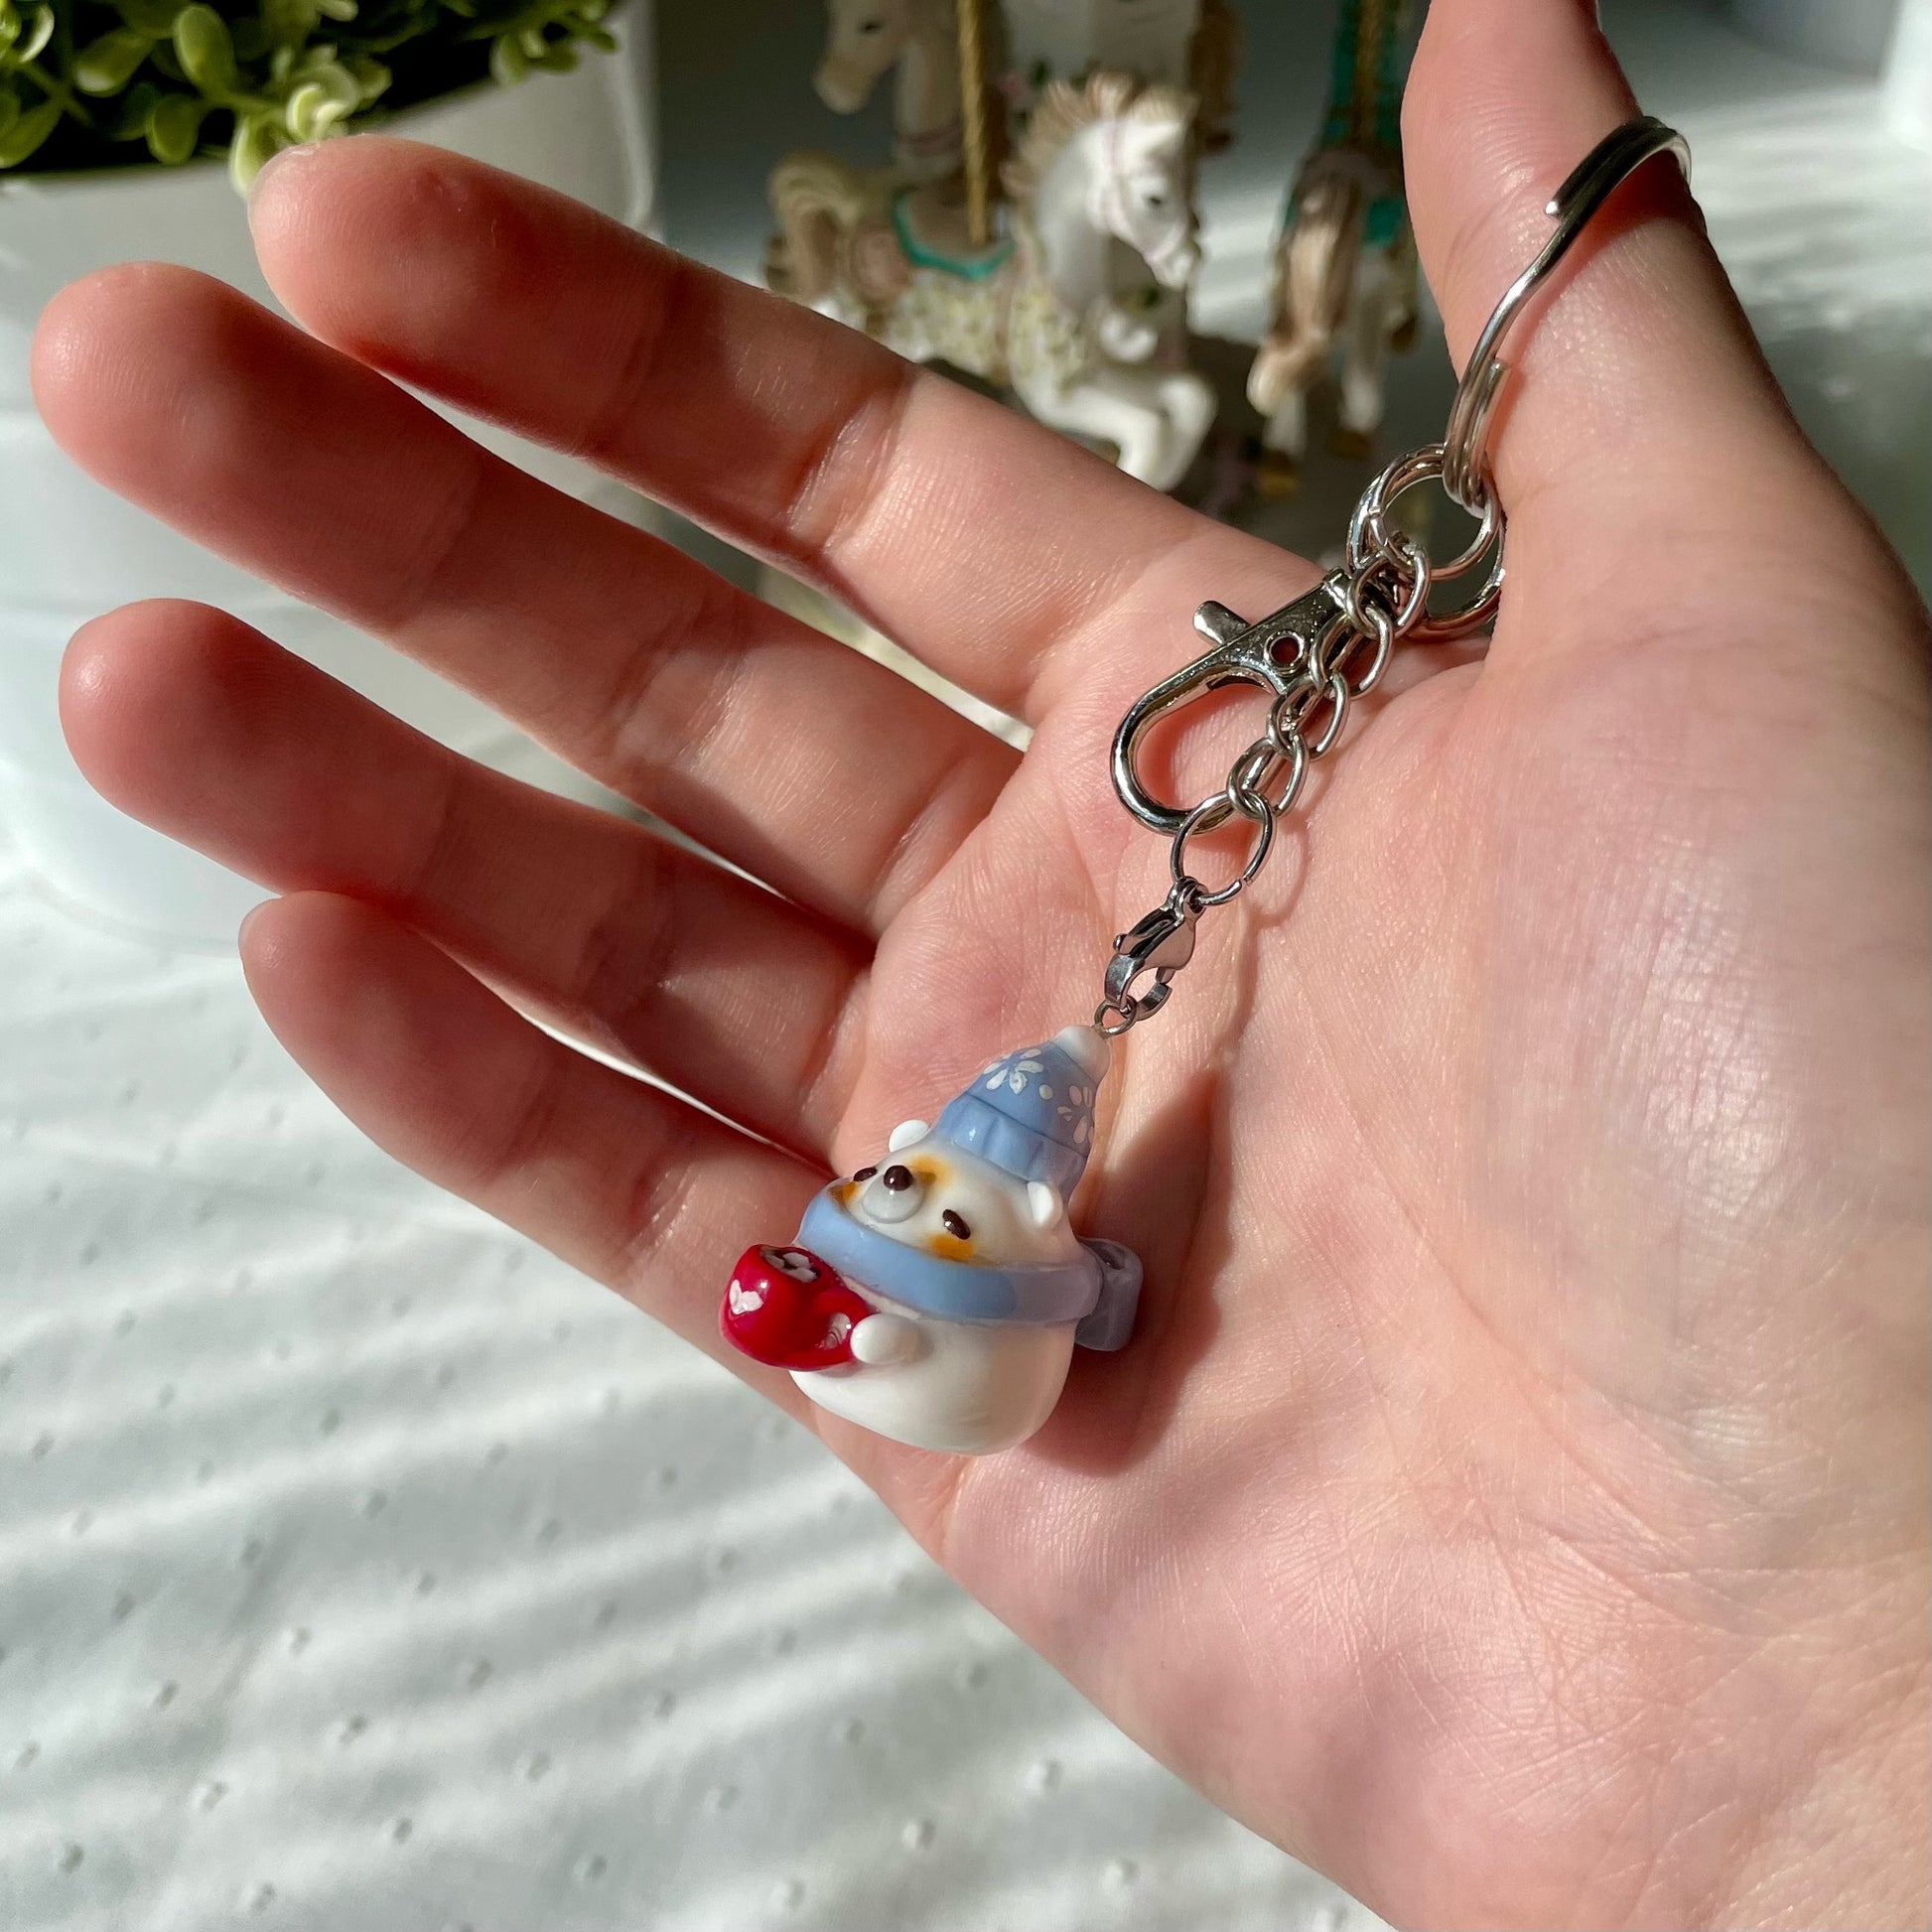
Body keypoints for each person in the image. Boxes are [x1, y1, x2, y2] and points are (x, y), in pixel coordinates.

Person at [30, 0, 1929, 1922]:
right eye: (921, 1190)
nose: (913, 1182)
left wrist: (1854, 1706)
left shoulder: (1000, 1250)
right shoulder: (1000, 1245)